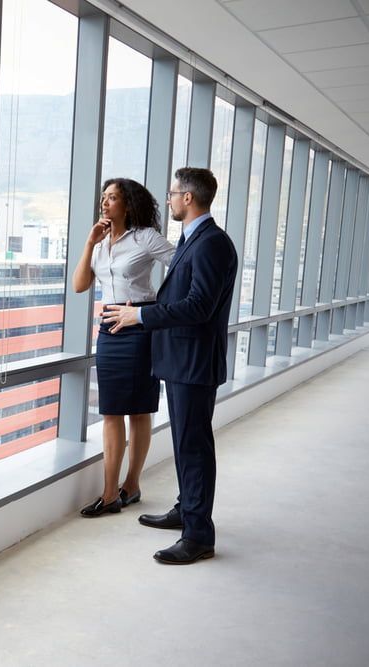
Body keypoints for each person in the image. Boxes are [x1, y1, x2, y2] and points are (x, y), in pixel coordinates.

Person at [103, 167, 238, 565]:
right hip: (182, 361)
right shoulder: (194, 240)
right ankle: (187, 509)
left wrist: (140, 318)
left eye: (173, 193)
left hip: (193, 362)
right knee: (185, 444)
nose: (169, 200)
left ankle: (198, 535)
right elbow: (183, 299)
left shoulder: (211, 243)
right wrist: (142, 309)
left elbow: (199, 306)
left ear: (189, 199)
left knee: (193, 447)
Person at [72, 178, 176, 517]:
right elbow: (79, 285)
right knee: (111, 410)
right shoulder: (101, 243)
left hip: (138, 329)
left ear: (127, 204)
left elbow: (183, 264)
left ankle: (131, 485)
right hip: (108, 331)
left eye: (112, 197)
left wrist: (151, 310)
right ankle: (109, 492)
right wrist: (90, 242)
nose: (104, 203)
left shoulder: (145, 238)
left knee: (139, 410)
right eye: (103, 197)